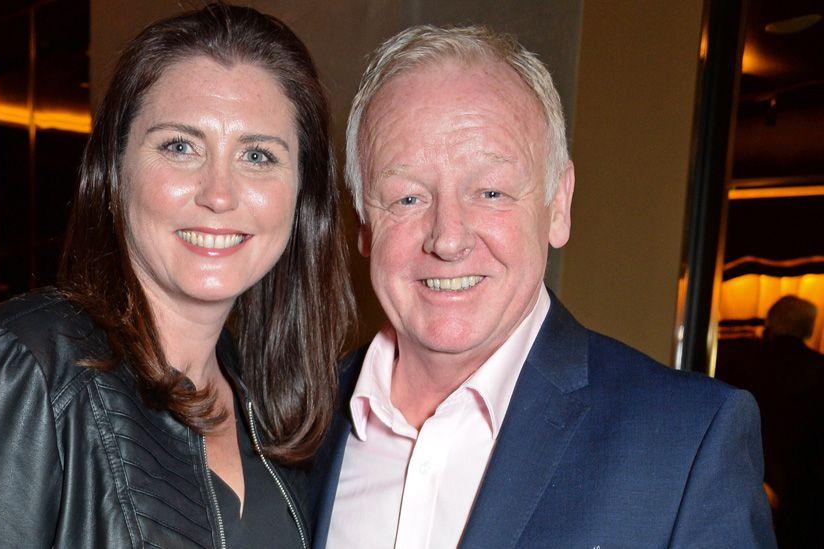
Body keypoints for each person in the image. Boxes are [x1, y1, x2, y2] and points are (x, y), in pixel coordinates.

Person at [0, 4, 354, 547]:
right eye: (180, 147)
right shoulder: (21, 371)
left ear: (302, 195)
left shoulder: (276, 412)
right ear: (115, 169)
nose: (219, 194)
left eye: (258, 155)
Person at [310, 25, 775, 548]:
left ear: (558, 205)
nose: (448, 239)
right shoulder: (289, 422)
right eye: (407, 198)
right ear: (363, 226)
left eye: (490, 191)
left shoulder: (686, 444)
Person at [717, 295, 824, 547]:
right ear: (809, 328)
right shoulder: (818, 370)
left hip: (741, 477)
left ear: (772, 322)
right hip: (803, 497)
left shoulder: (739, 361)